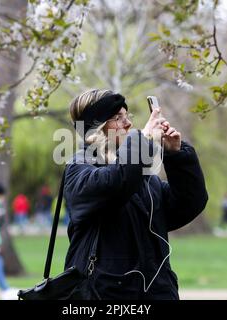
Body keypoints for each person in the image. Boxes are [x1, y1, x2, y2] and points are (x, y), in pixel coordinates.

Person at [62, 89, 208, 299]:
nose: (128, 123)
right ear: (96, 128)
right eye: (117, 118)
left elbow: (188, 205)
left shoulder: (142, 178)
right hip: (104, 295)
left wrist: (176, 156)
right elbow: (117, 183)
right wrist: (143, 141)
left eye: (127, 116)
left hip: (156, 292)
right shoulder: (79, 169)